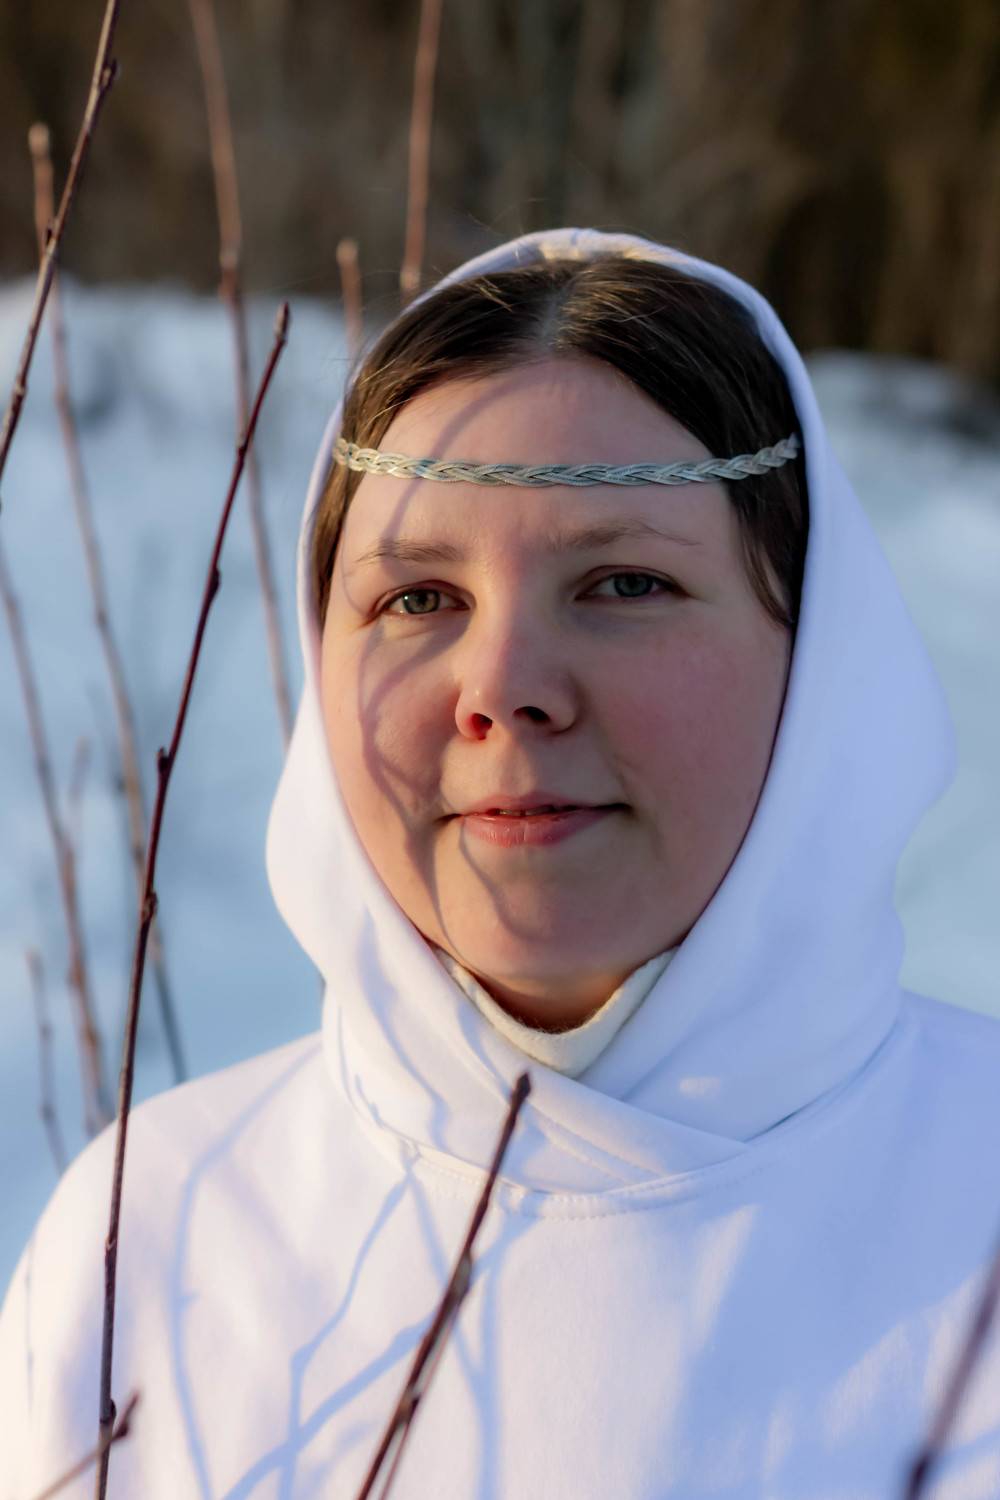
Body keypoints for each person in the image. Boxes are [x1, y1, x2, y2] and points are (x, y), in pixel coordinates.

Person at [2, 225, 999, 1498]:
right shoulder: (153, 1238)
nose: (505, 687)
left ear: (817, 652)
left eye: (624, 584)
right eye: (418, 598)